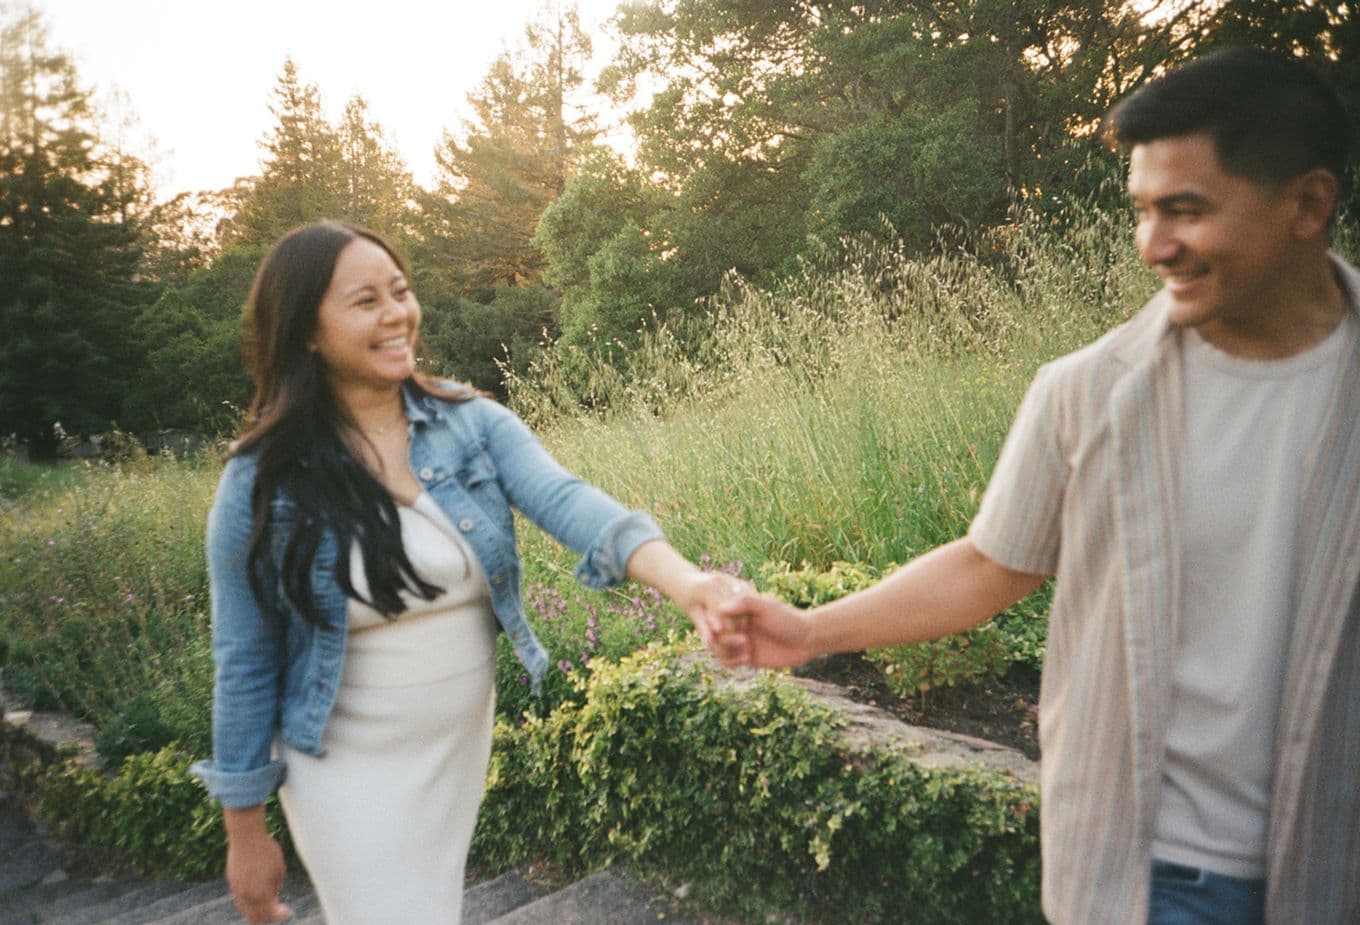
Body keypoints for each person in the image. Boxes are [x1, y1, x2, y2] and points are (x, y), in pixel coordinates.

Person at [714, 48, 1359, 925]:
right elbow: (992, 564)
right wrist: (812, 629)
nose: (1152, 244)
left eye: (1185, 210)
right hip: (1146, 876)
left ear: (1308, 203)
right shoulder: (1086, 392)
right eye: (1141, 210)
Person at [190, 220, 746, 925]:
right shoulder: (260, 480)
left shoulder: (470, 421)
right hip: (342, 768)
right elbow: (242, 658)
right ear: (306, 330)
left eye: (401, 290)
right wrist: (245, 832)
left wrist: (689, 583)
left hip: (453, 750)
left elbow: (572, 503)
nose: (397, 313)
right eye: (365, 301)